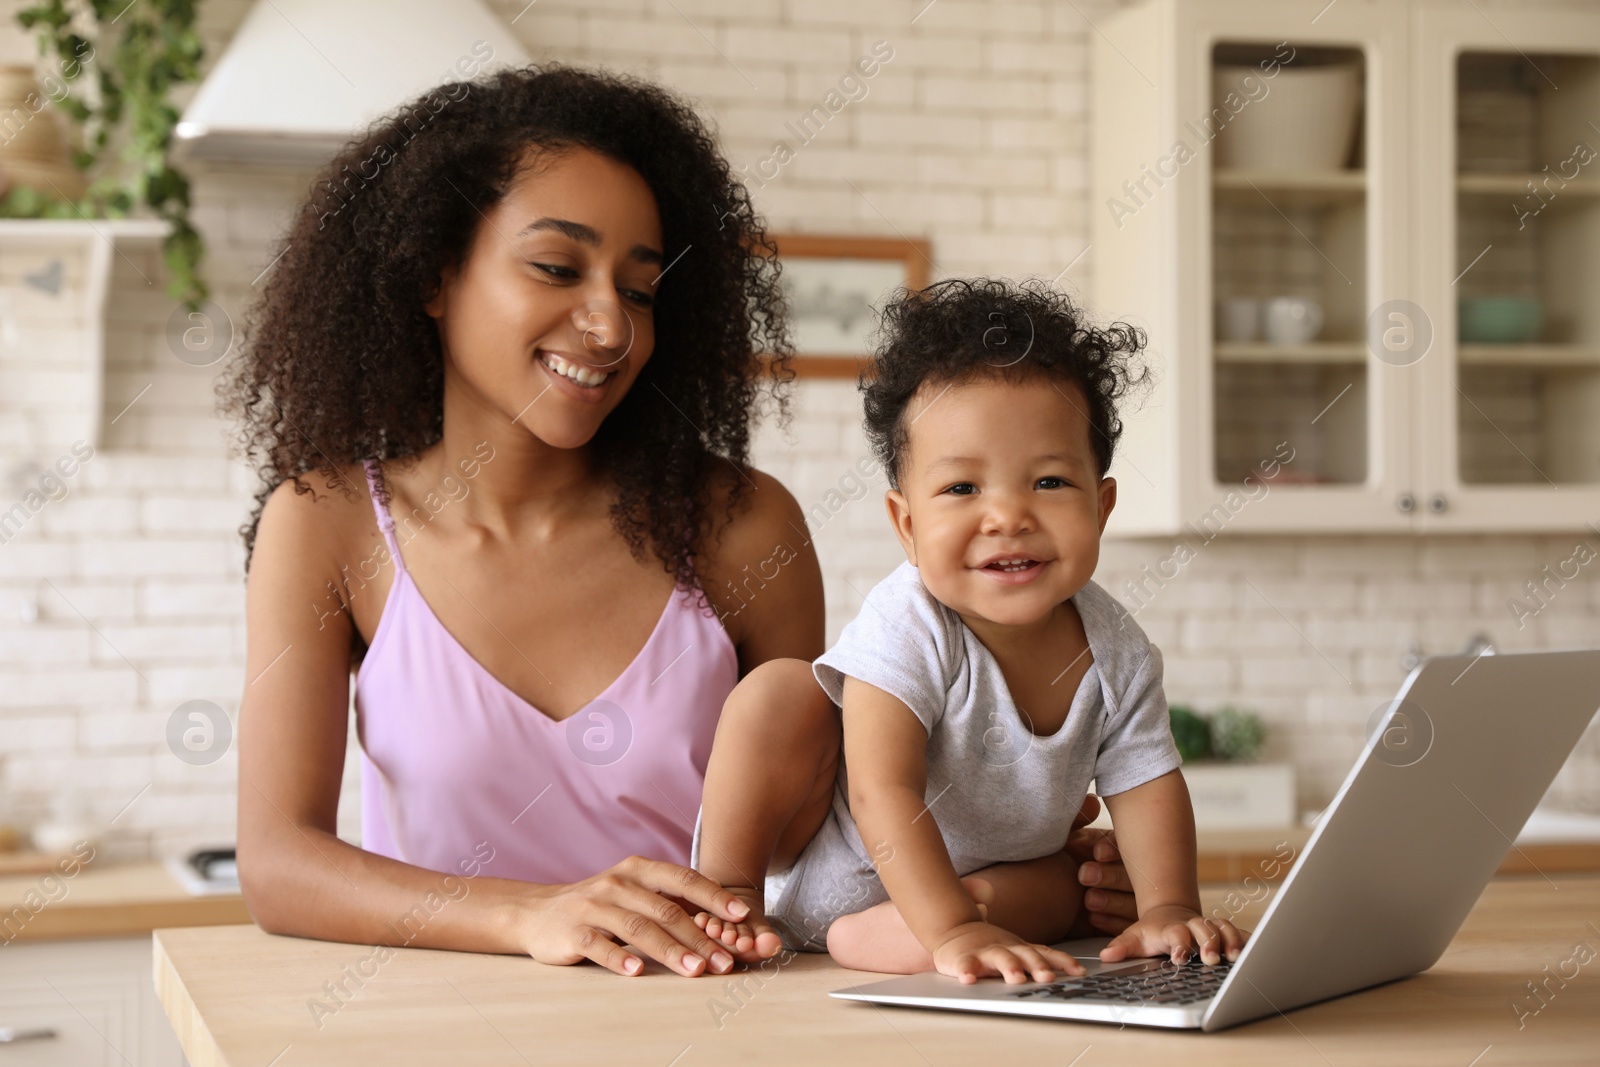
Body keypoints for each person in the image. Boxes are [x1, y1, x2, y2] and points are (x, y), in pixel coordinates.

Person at [224, 63, 1143, 981]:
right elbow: (276, 864)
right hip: (445, 1027)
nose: (609, 325)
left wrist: (1039, 869)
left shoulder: (744, 527)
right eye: (556, 266)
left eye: (639, 290)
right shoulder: (328, 526)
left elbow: (829, 835)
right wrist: (537, 914)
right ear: (434, 272)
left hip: (704, 1018)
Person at [693, 278, 1250, 984]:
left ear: (1101, 506)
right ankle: (728, 895)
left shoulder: (1118, 647)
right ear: (907, 525)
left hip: (980, 891)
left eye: (1049, 482)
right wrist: (950, 926)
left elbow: (1149, 780)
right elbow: (880, 789)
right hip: (845, 872)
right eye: (962, 488)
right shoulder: (910, 622)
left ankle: (896, 934)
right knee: (779, 691)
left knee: (1078, 880)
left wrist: (1169, 906)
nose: (1008, 516)